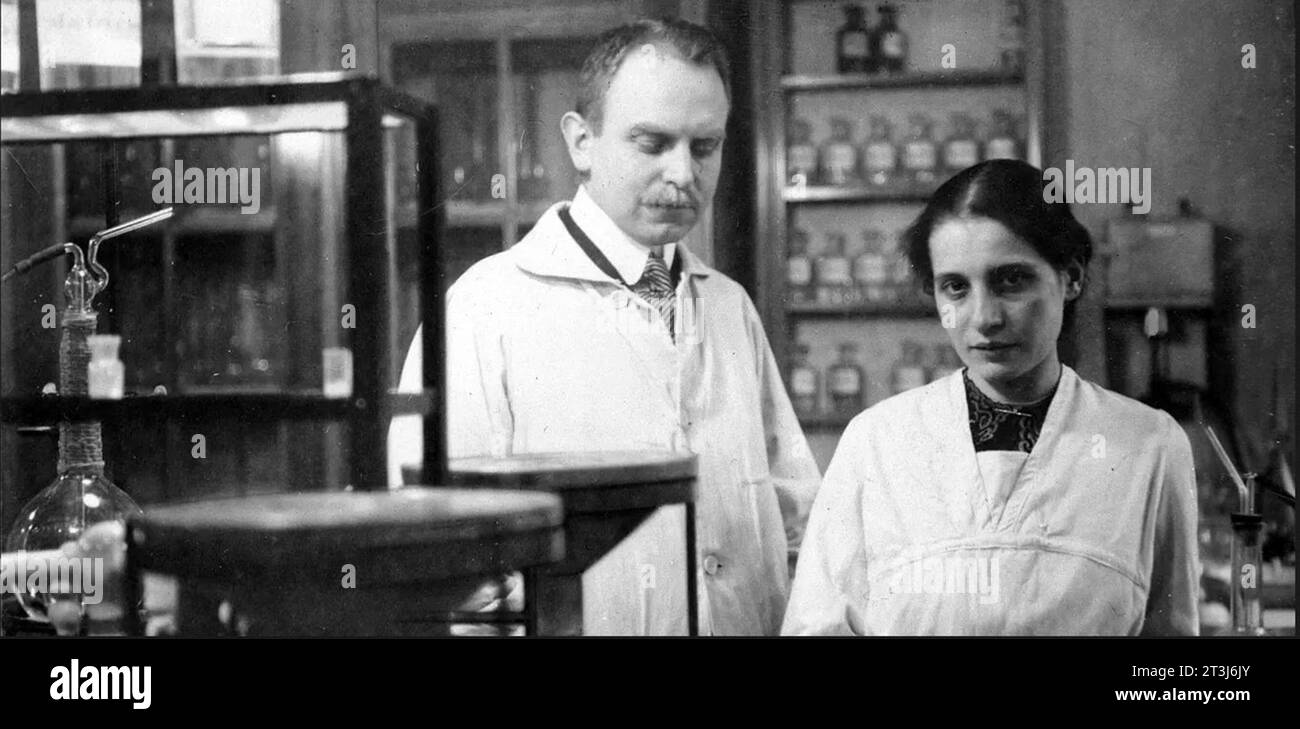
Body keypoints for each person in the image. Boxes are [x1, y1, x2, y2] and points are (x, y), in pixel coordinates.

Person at [388, 18, 820, 636]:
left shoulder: (728, 307)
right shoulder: (485, 307)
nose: (683, 174)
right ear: (581, 141)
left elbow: (795, 516)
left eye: (705, 146)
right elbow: (444, 558)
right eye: (652, 143)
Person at [782, 160, 1200, 636]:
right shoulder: (876, 441)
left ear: (1071, 277)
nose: (984, 318)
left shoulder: (1149, 444)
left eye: (1011, 280)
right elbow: (815, 628)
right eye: (955, 287)